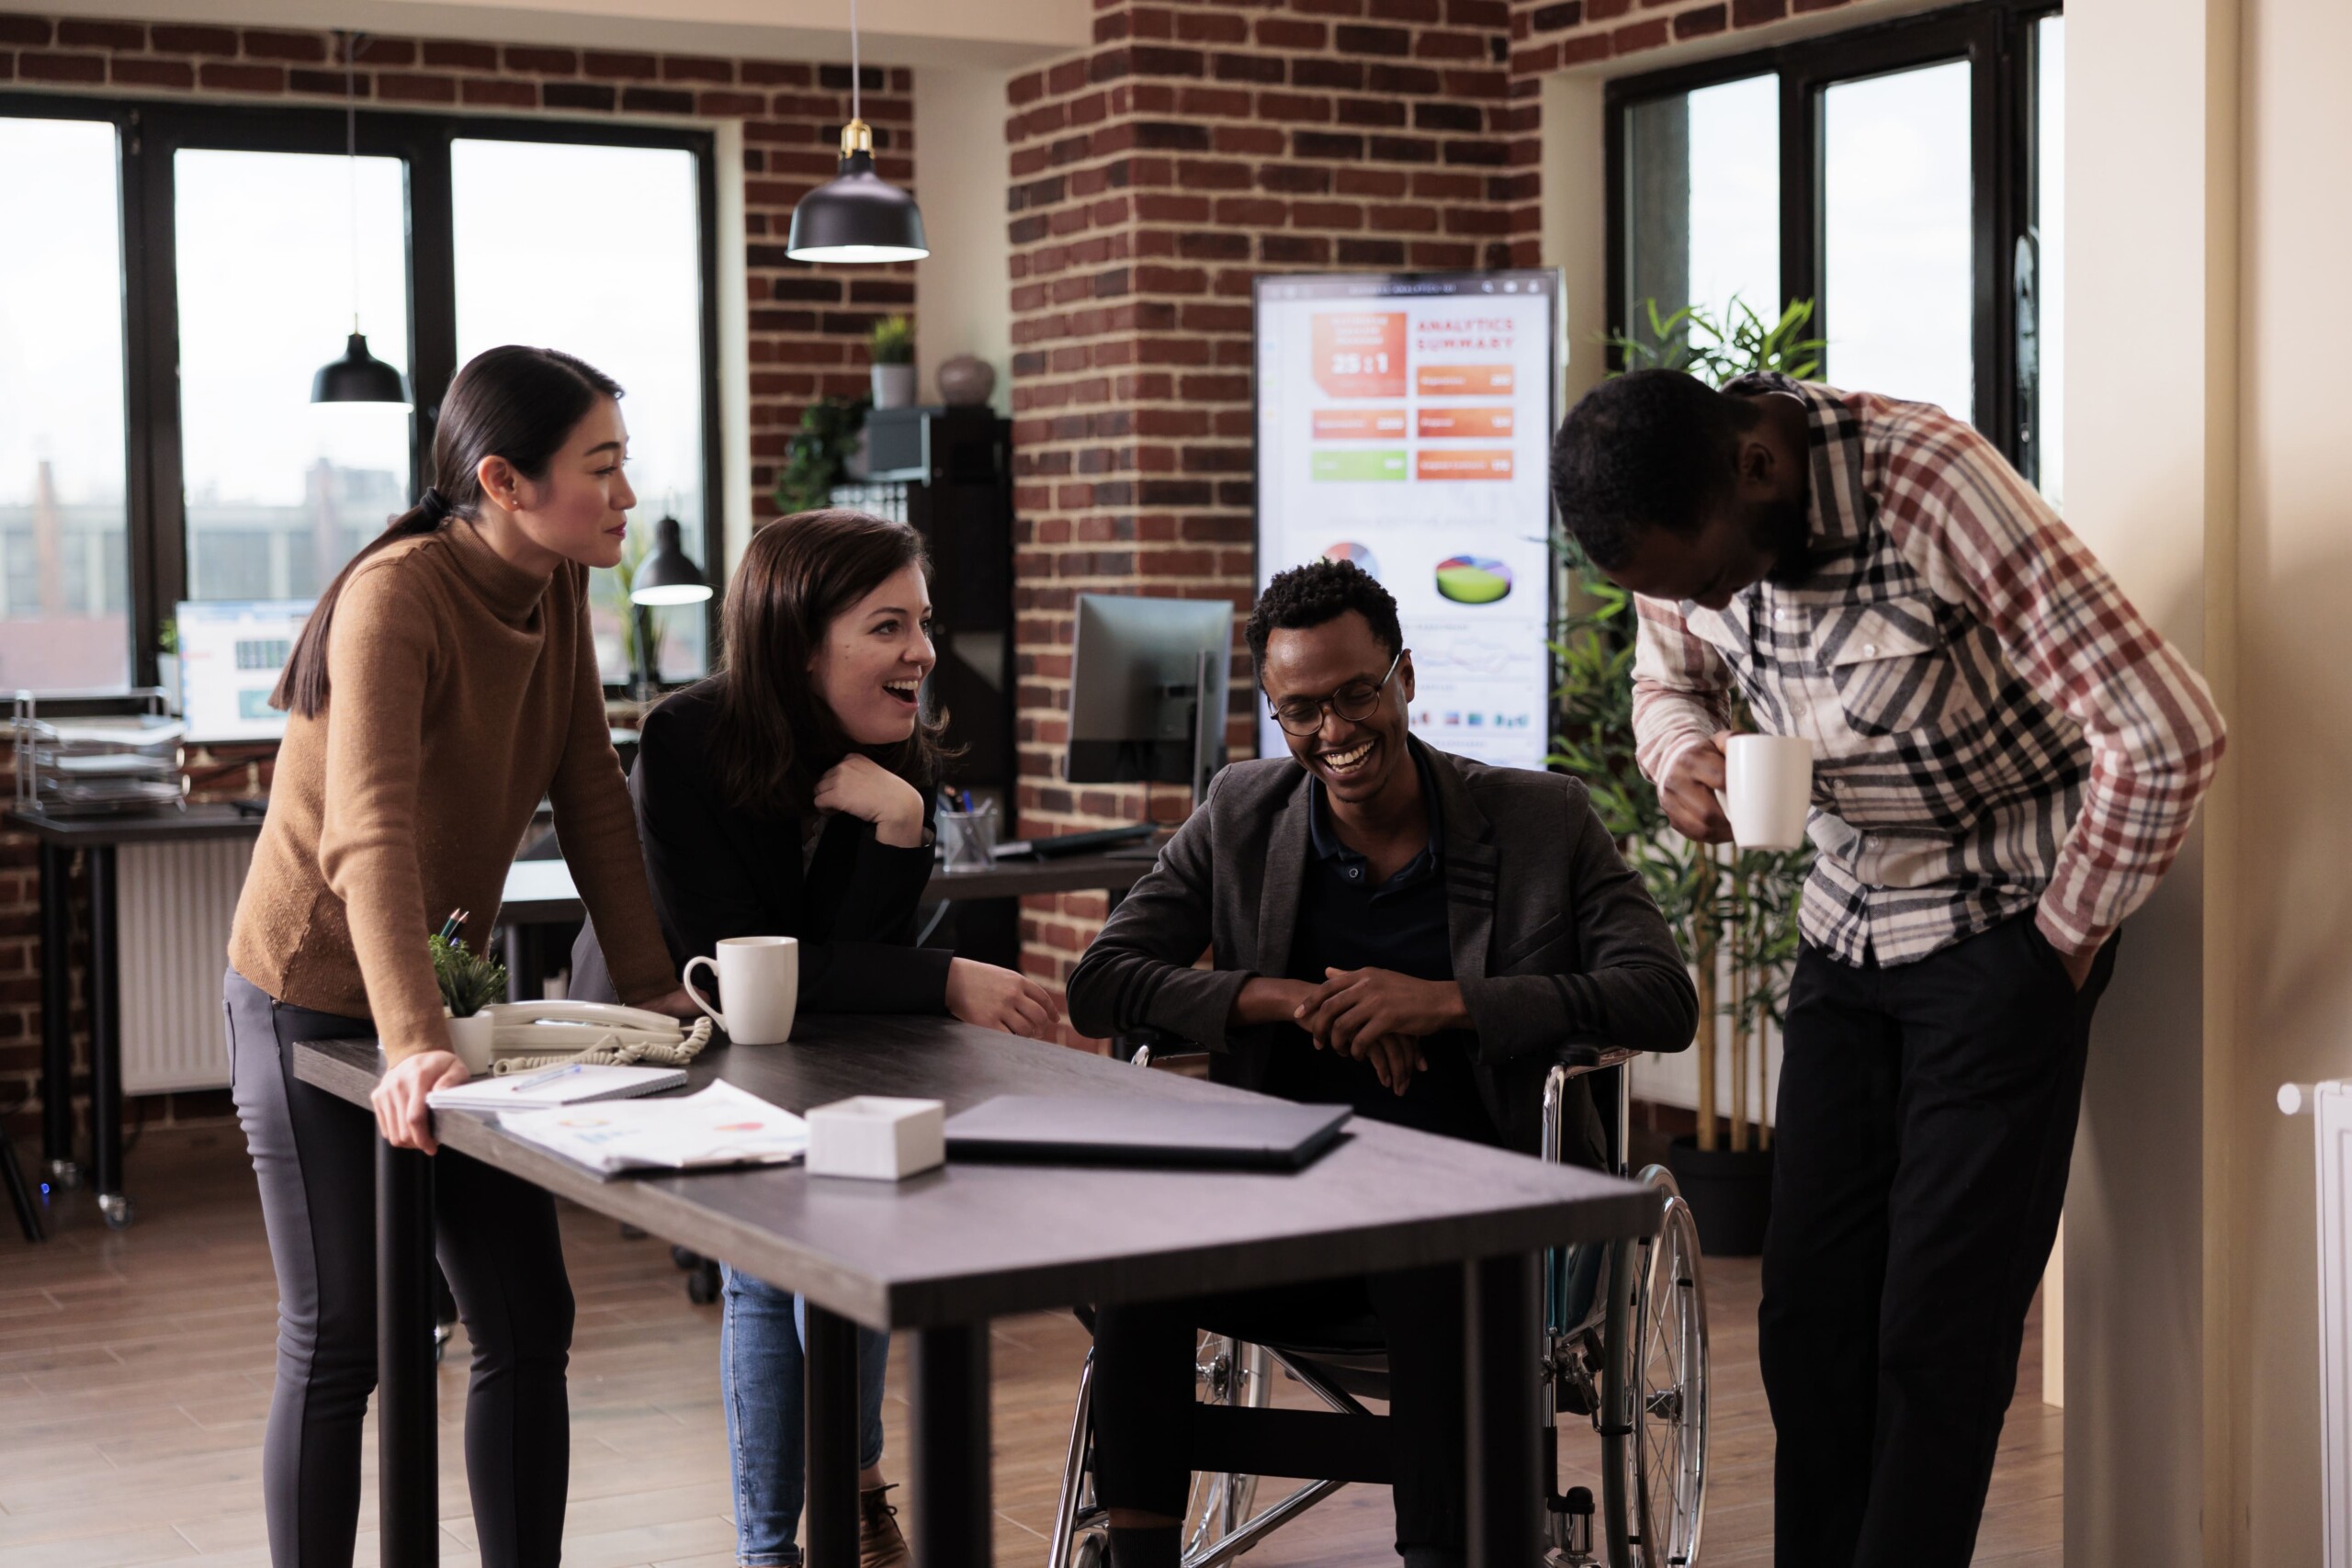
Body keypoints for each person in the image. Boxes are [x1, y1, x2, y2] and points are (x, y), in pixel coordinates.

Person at [1549, 367, 2227, 1568]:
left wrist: (2058, 945)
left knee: (1936, 1334)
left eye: (1706, 579)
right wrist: (1678, 758)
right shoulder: (1681, 528)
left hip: (2002, 927)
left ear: (1758, 469)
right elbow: (1670, 680)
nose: (1700, 603)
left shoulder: (1935, 485)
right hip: (1847, 928)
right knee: (1809, 1317)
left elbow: (2169, 729)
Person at [1063, 558, 1697, 1568]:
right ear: (1274, 713)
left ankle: (1440, 1552)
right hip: (1285, 1200)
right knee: (1143, 1246)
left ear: (1404, 676)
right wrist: (1285, 998)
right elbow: (1100, 982)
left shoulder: (1541, 821)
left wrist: (1443, 1005)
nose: (1335, 730)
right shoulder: (1240, 813)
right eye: (1301, 709)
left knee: (1431, 1246)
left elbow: (1662, 999)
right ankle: (1136, 1552)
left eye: (1356, 692)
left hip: (1472, 1203)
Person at [223, 345, 699, 1568]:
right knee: (343, 1338)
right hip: (311, 993)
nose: (628, 495)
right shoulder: (400, 595)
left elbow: (592, 786)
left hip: (442, 998)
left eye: (624, 463)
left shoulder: (553, 588)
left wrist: (650, 982)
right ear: (504, 478)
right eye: (603, 467)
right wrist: (415, 1041)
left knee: (527, 1315)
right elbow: (366, 832)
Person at [571, 507, 1062, 1568]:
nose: (922, 653)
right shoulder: (687, 738)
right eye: (888, 627)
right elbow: (745, 969)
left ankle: (840, 1501)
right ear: (800, 643)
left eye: (922, 623)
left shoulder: (899, 758)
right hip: (678, 1032)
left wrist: (893, 825)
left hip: (820, 1039)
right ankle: (783, 1540)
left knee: (843, 1234)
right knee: (767, 1266)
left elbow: (846, 960)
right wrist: (944, 978)